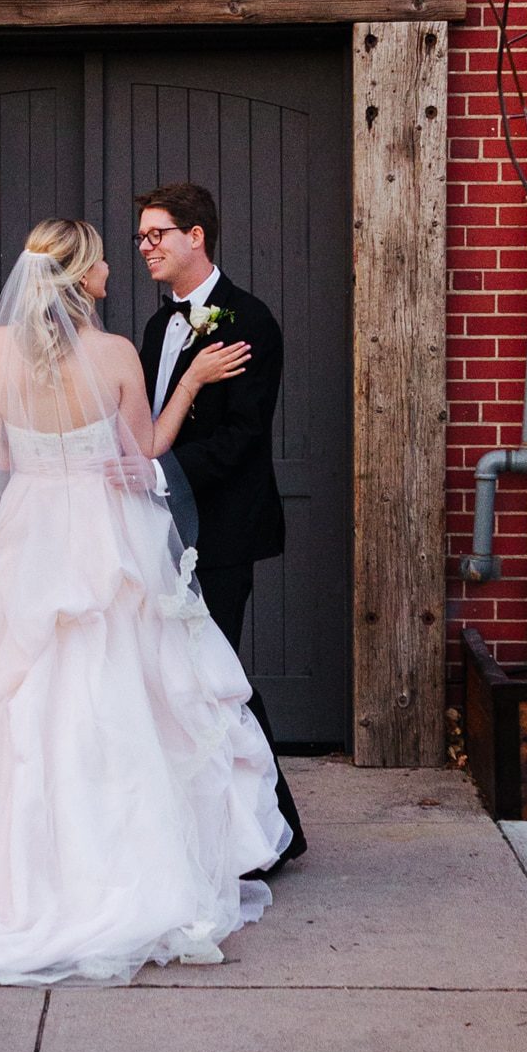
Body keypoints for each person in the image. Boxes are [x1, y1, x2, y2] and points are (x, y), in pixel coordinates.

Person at [0, 219, 292, 985]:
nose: (111, 271)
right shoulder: (116, 353)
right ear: (79, 277)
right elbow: (145, 453)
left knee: (26, 691)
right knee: (120, 687)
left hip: (30, 527)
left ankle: (24, 871)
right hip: (102, 526)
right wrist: (190, 384)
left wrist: (43, 452)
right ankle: (126, 861)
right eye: (99, 262)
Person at [135, 182, 307, 867]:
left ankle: (273, 831)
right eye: (142, 237)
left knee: (218, 677)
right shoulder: (156, 328)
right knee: (189, 678)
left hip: (222, 530)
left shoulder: (250, 322)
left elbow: (240, 438)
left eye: (156, 235)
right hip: (158, 530)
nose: (145, 247)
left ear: (195, 236)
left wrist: (156, 474)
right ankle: (225, 827)